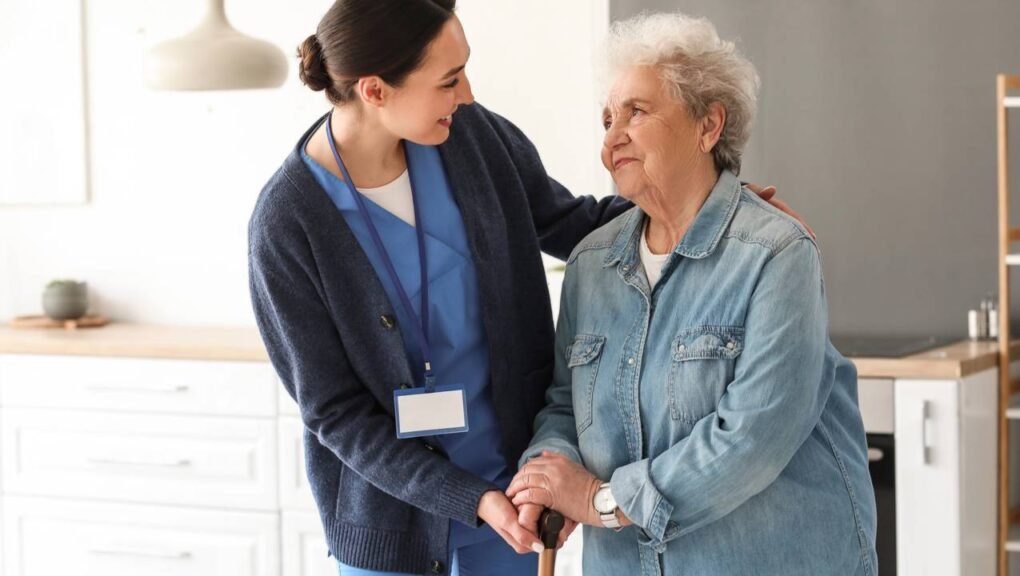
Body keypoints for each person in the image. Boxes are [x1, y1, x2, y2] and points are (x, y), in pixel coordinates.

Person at [248, 2, 802, 575]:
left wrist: (708, 208)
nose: (466, 95)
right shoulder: (287, 225)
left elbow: (572, 222)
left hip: (515, 500)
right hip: (396, 528)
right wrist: (467, 499)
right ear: (376, 90)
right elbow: (335, 414)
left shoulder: (472, 139)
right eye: (448, 81)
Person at [507, 12, 878, 576]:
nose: (612, 137)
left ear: (708, 127)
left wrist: (601, 501)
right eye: (607, 118)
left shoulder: (776, 253)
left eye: (637, 111)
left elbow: (752, 437)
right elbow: (564, 402)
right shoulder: (590, 263)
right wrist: (546, 469)